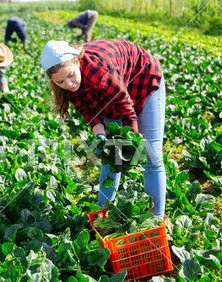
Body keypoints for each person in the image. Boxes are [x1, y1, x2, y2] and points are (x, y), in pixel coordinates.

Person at [40, 39, 170, 225]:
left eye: (70, 76)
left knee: (151, 154)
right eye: (60, 81)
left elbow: (125, 108)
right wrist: (101, 138)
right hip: (113, 90)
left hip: (142, 78)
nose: (68, 84)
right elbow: (90, 112)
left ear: (76, 61)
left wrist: (131, 142)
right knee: (111, 154)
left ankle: (157, 219)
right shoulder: (71, 85)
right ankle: (102, 214)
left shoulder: (98, 70)